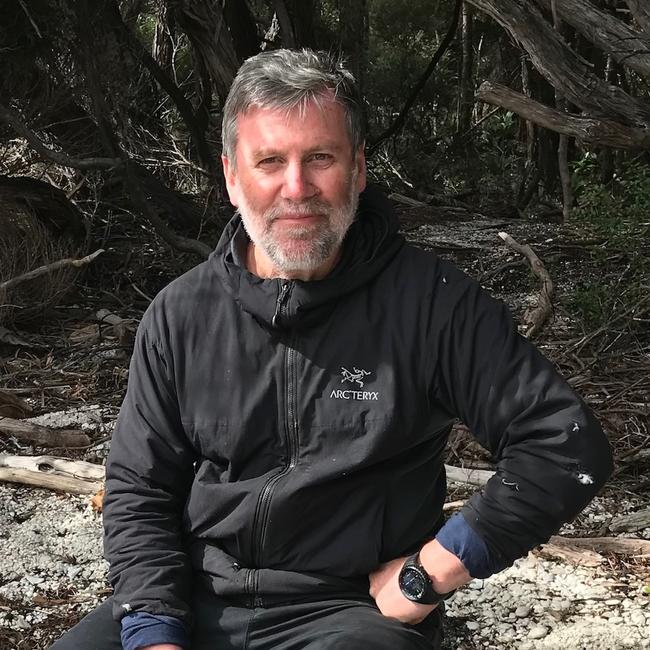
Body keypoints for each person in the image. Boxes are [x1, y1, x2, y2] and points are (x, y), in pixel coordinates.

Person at [52, 49, 613, 650]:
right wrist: (155, 631)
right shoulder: (179, 313)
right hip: (195, 596)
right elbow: (140, 488)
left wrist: (436, 570)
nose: (297, 188)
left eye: (320, 157)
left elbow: (563, 444)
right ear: (232, 177)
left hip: (351, 613)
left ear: (360, 169)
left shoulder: (432, 303)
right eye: (270, 161)